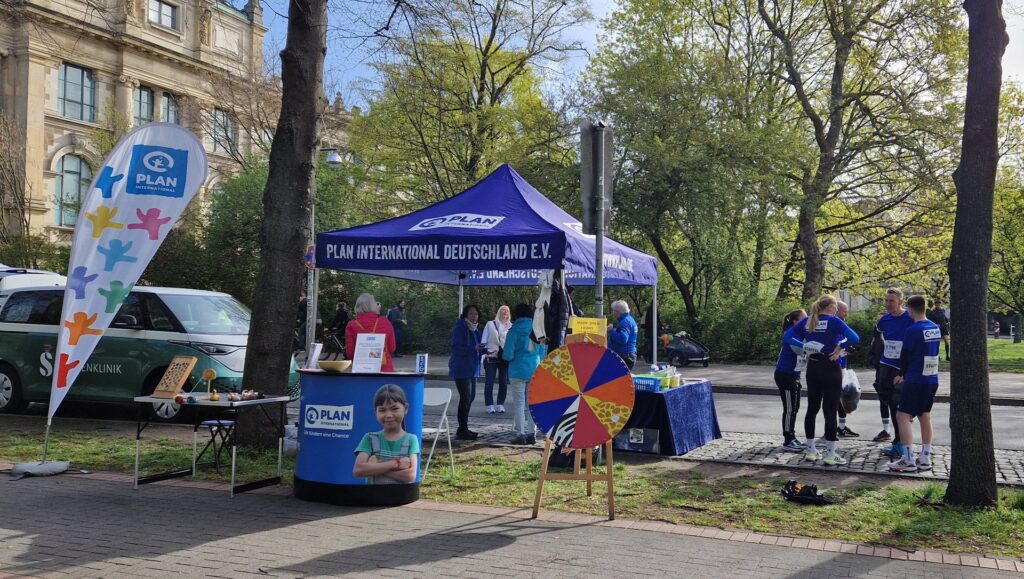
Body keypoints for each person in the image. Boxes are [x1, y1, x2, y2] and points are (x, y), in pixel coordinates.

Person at [785, 294, 860, 466]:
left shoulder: (809, 320)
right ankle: (830, 453)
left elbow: (787, 338)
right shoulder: (834, 321)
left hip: (813, 367)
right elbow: (855, 338)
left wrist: (805, 346)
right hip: (831, 367)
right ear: (832, 307)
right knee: (830, 410)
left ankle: (811, 450)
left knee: (812, 408)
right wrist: (840, 346)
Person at [887, 295, 941, 473]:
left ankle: (908, 459)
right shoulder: (935, 328)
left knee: (902, 416)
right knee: (924, 415)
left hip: (915, 378)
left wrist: (901, 373)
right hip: (932, 378)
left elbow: (905, 355)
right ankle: (925, 456)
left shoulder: (912, 330)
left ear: (910, 310)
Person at [873, 288, 914, 459]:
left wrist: (906, 370)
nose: (888, 304)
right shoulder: (884, 320)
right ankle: (899, 440)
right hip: (886, 365)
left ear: (901, 302)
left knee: (897, 405)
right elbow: (877, 335)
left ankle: (900, 443)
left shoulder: (909, 319)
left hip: (901, 368)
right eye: (886, 300)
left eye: (891, 301)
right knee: (888, 399)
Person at [352, 384, 420, 484]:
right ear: (376, 412)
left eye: (394, 409)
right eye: (382, 410)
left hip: (400, 499)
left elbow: (410, 475)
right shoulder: (369, 438)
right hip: (372, 498)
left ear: (405, 408)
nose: (388, 415)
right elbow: (358, 470)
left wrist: (376, 467)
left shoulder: (411, 440)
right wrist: (396, 464)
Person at [503, 303, 547, 445]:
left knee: (519, 404)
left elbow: (507, 355)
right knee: (532, 404)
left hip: (517, 371)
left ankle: (520, 433)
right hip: (534, 369)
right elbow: (542, 351)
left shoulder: (513, 331)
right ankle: (531, 433)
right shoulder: (536, 329)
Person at [449, 304, 484, 440]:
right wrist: (473, 348)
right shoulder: (460, 328)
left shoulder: (476, 330)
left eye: (476, 314)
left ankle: (464, 428)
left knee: (471, 397)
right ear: (466, 315)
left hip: (472, 368)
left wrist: (487, 350)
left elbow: (479, 347)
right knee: (465, 398)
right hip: (461, 368)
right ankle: (462, 429)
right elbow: (456, 348)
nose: (474, 316)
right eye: (471, 313)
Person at [774, 309, 807, 452]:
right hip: (785, 375)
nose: (806, 321)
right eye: (804, 319)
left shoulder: (798, 333)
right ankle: (787, 439)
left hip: (794, 375)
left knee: (795, 408)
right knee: (789, 409)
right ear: (795, 322)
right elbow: (800, 351)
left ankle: (792, 436)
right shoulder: (792, 333)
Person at [345, 293, 397, 372]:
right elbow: (392, 348)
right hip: (384, 368)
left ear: (357, 306)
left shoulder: (352, 325)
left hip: (361, 369)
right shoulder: (385, 322)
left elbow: (350, 353)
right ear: (374, 305)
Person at [835, 300, 859, 438]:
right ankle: (835, 428)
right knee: (837, 398)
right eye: (844, 311)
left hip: (842, 364)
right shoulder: (835, 324)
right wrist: (843, 349)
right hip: (836, 365)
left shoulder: (843, 324)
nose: (846, 314)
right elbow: (835, 344)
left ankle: (841, 426)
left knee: (843, 397)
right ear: (836, 310)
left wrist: (847, 349)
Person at [482, 305, 512, 414]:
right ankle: (489, 405)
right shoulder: (490, 324)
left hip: (504, 357)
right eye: (503, 311)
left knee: (503, 382)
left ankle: (500, 404)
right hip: (491, 356)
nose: (505, 313)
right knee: (489, 381)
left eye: (507, 311)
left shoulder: (511, 327)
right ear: (499, 312)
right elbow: (484, 340)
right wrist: (483, 355)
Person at [607, 300, 638, 370]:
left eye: (614, 311)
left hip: (625, 357)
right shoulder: (630, 319)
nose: (613, 313)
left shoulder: (625, 322)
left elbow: (623, 339)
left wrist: (611, 331)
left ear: (618, 312)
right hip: (628, 356)